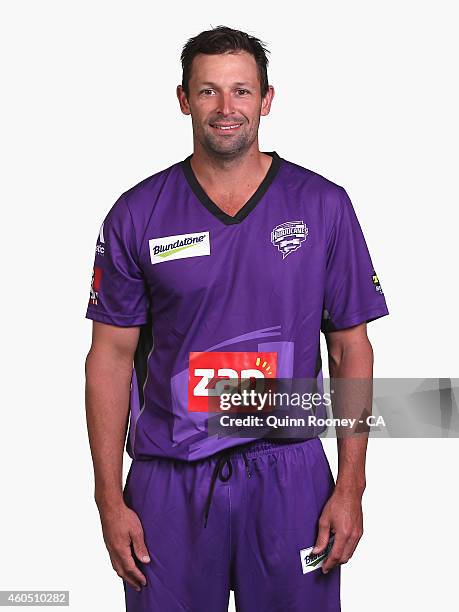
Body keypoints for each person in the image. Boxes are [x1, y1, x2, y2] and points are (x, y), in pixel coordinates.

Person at [84, 25, 389, 612]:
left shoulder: (323, 205)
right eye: (208, 92)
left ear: (266, 100)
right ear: (183, 99)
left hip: (289, 473)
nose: (226, 109)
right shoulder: (136, 213)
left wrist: (351, 484)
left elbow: (352, 349)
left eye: (242, 92)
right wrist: (108, 499)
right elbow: (109, 358)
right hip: (169, 479)